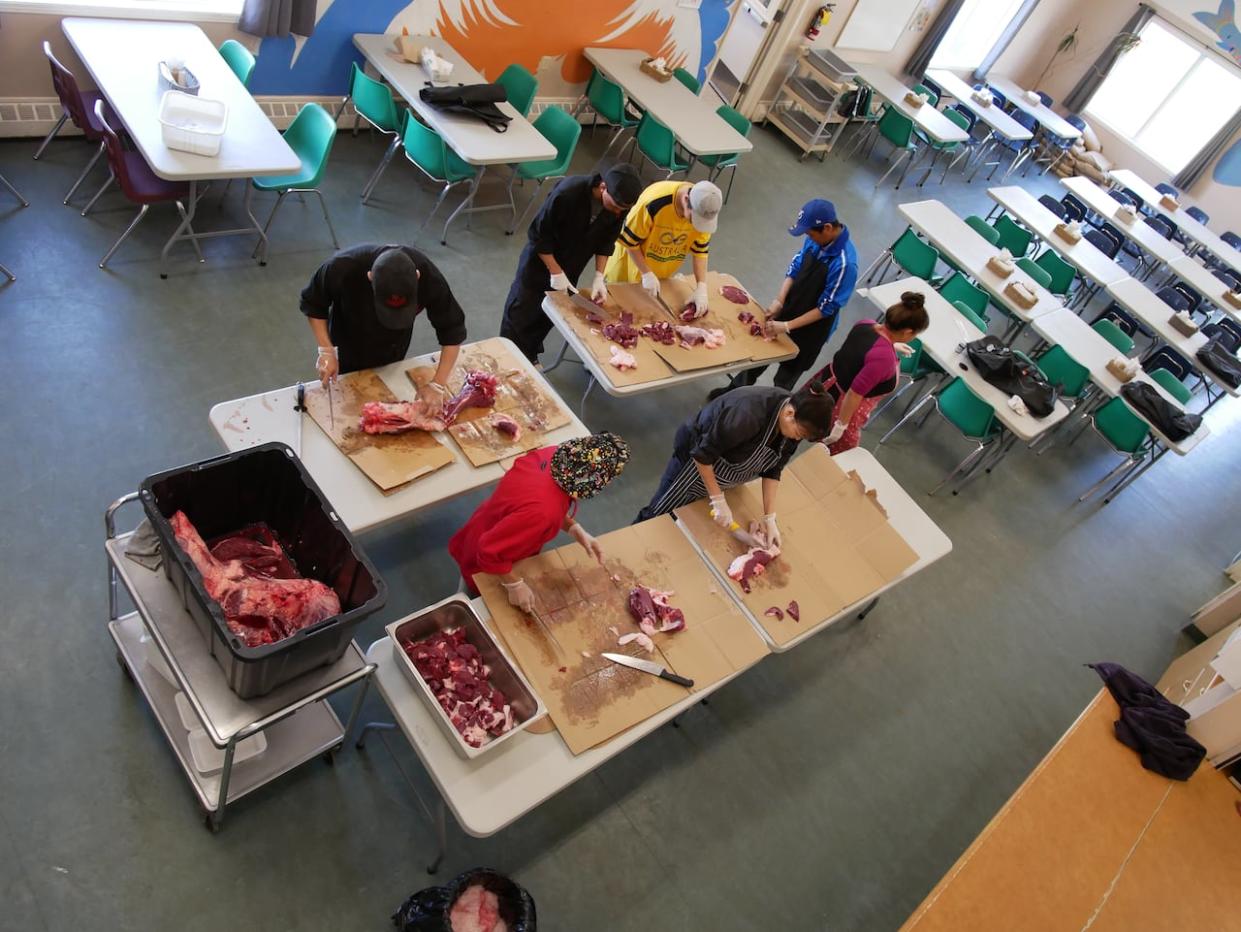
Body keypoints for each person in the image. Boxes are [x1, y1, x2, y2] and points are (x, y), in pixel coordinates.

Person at [634, 382, 835, 544]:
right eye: (798, 434)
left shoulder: (794, 423)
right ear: (790, 413)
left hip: (722, 472)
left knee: (686, 523)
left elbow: (774, 469)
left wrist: (769, 517)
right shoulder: (747, 414)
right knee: (658, 516)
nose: (796, 439)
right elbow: (702, 455)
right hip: (693, 464)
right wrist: (718, 500)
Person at [448, 433, 630, 610]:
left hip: (488, 523)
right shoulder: (542, 514)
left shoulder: (552, 455)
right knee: (473, 597)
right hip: (486, 559)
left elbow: (534, 502)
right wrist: (514, 585)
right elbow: (488, 551)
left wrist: (573, 527)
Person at [710, 199, 857, 399]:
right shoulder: (815, 240)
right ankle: (732, 392)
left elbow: (826, 308)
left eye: (810, 233)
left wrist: (787, 326)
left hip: (811, 331)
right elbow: (795, 267)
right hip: (791, 308)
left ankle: (771, 410)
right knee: (758, 357)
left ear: (828, 228)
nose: (808, 238)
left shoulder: (845, 264)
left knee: (785, 379)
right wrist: (780, 300)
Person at [500, 164, 644, 364]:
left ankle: (530, 355)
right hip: (539, 263)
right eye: (615, 206)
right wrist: (555, 271)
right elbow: (539, 235)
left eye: (623, 210)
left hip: (572, 265)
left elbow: (606, 241)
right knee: (522, 313)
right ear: (603, 187)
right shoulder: (568, 193)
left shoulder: (618, 207)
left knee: (547, 315)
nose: (618, 213)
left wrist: (599, 276)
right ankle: (508, 358)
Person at [301, 244, 467, 415]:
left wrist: (438, 384)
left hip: (394, 349)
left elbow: (452, 329)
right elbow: (313, 303)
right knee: (345, 409)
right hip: (347, 344)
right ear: (370, 277)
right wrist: (326, 350)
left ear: (417, 277)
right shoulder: (342, 268)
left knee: (386, 391)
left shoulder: (428, 276)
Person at [806, 291, 930, 455]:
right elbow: (854, 394)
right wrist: (840, 426)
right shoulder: (883, 360)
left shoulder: (865, 324)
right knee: (841, 454)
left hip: (825, 382)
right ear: (908, 332)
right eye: (915, 334)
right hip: (844, 407)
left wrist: (891, 345)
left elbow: (863, 351)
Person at [604, 179, 722, 316]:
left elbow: (700, 251)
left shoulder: (703, 210)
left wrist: (701, 286)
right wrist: (646, 273)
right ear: (686, 200)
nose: (696, 225)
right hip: (627, 268)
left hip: (660, 271)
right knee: (616, 312)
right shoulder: (653, 203)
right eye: (693, 220)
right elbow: (631, 243)